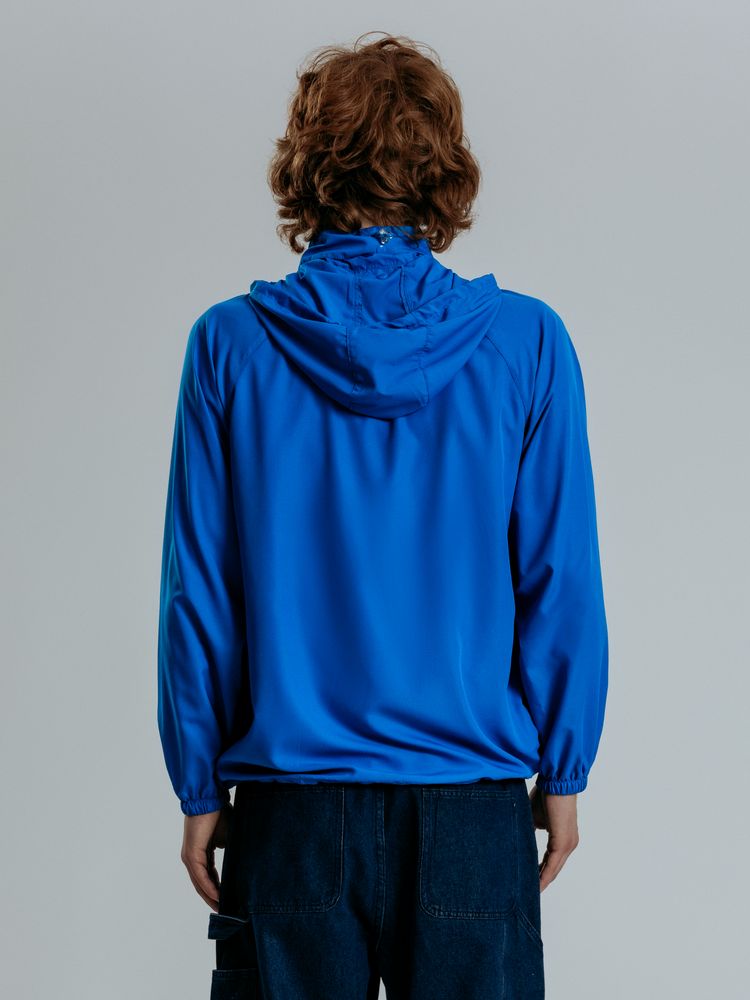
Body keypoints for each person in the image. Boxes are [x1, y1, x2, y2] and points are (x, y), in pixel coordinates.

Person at [157, 31, 609, 1000]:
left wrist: (198, 784)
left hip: (292, 813)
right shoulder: (527, 343)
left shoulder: (230, 347)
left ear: (307, 163)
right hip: (472, 812)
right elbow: (559, 579)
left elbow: (201, 594)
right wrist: (564, 773)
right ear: (443, 166)